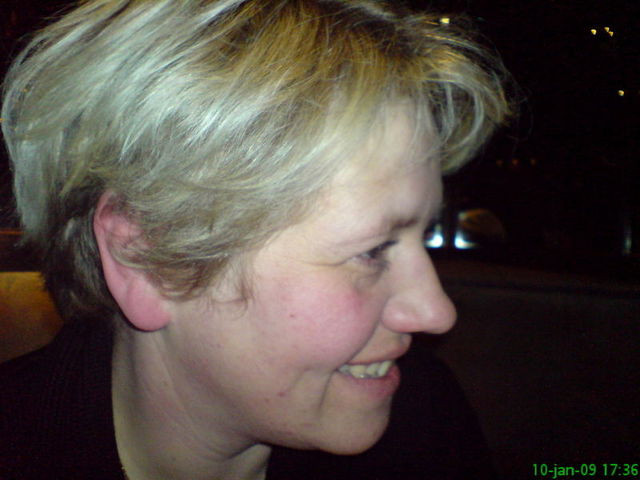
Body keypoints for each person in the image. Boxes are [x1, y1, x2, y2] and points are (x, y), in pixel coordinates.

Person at [0, 1, 510, 478]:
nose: (436, 313)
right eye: (371, 251)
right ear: (147, 260)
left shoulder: (424, 420)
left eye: (424, 235)